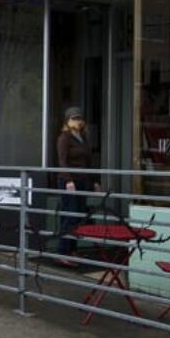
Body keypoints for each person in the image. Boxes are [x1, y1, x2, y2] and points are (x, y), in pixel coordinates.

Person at [56, 105, 97, 259]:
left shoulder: (83, 138)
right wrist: (68, 181)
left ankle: (72, 249)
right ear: (67, 121)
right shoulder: (64, 138)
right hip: (69, 182)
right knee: (70, 216)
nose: (77, 121)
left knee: (79, 216)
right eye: (74, 118)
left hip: (83, 181)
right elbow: (62, 161)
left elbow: (88, 162)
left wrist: (94, 182)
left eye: (79, 118)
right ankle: (63, 252)